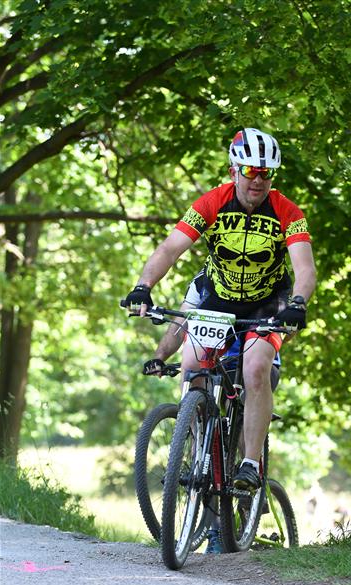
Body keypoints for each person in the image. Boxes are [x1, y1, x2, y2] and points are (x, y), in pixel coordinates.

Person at [125, 127, 316, 503]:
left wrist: (298, 303)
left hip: (267, 303)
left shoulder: (287, 211)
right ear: (233, 171)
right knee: (192, 367)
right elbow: (169, 249)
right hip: (219, 298)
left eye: (265, 173)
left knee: (255, 369)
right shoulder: (212, 202)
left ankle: (249, 463)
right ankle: (197, 444)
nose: (258, 180)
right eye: (250, 171)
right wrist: (143, 286)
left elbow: (305, 268)